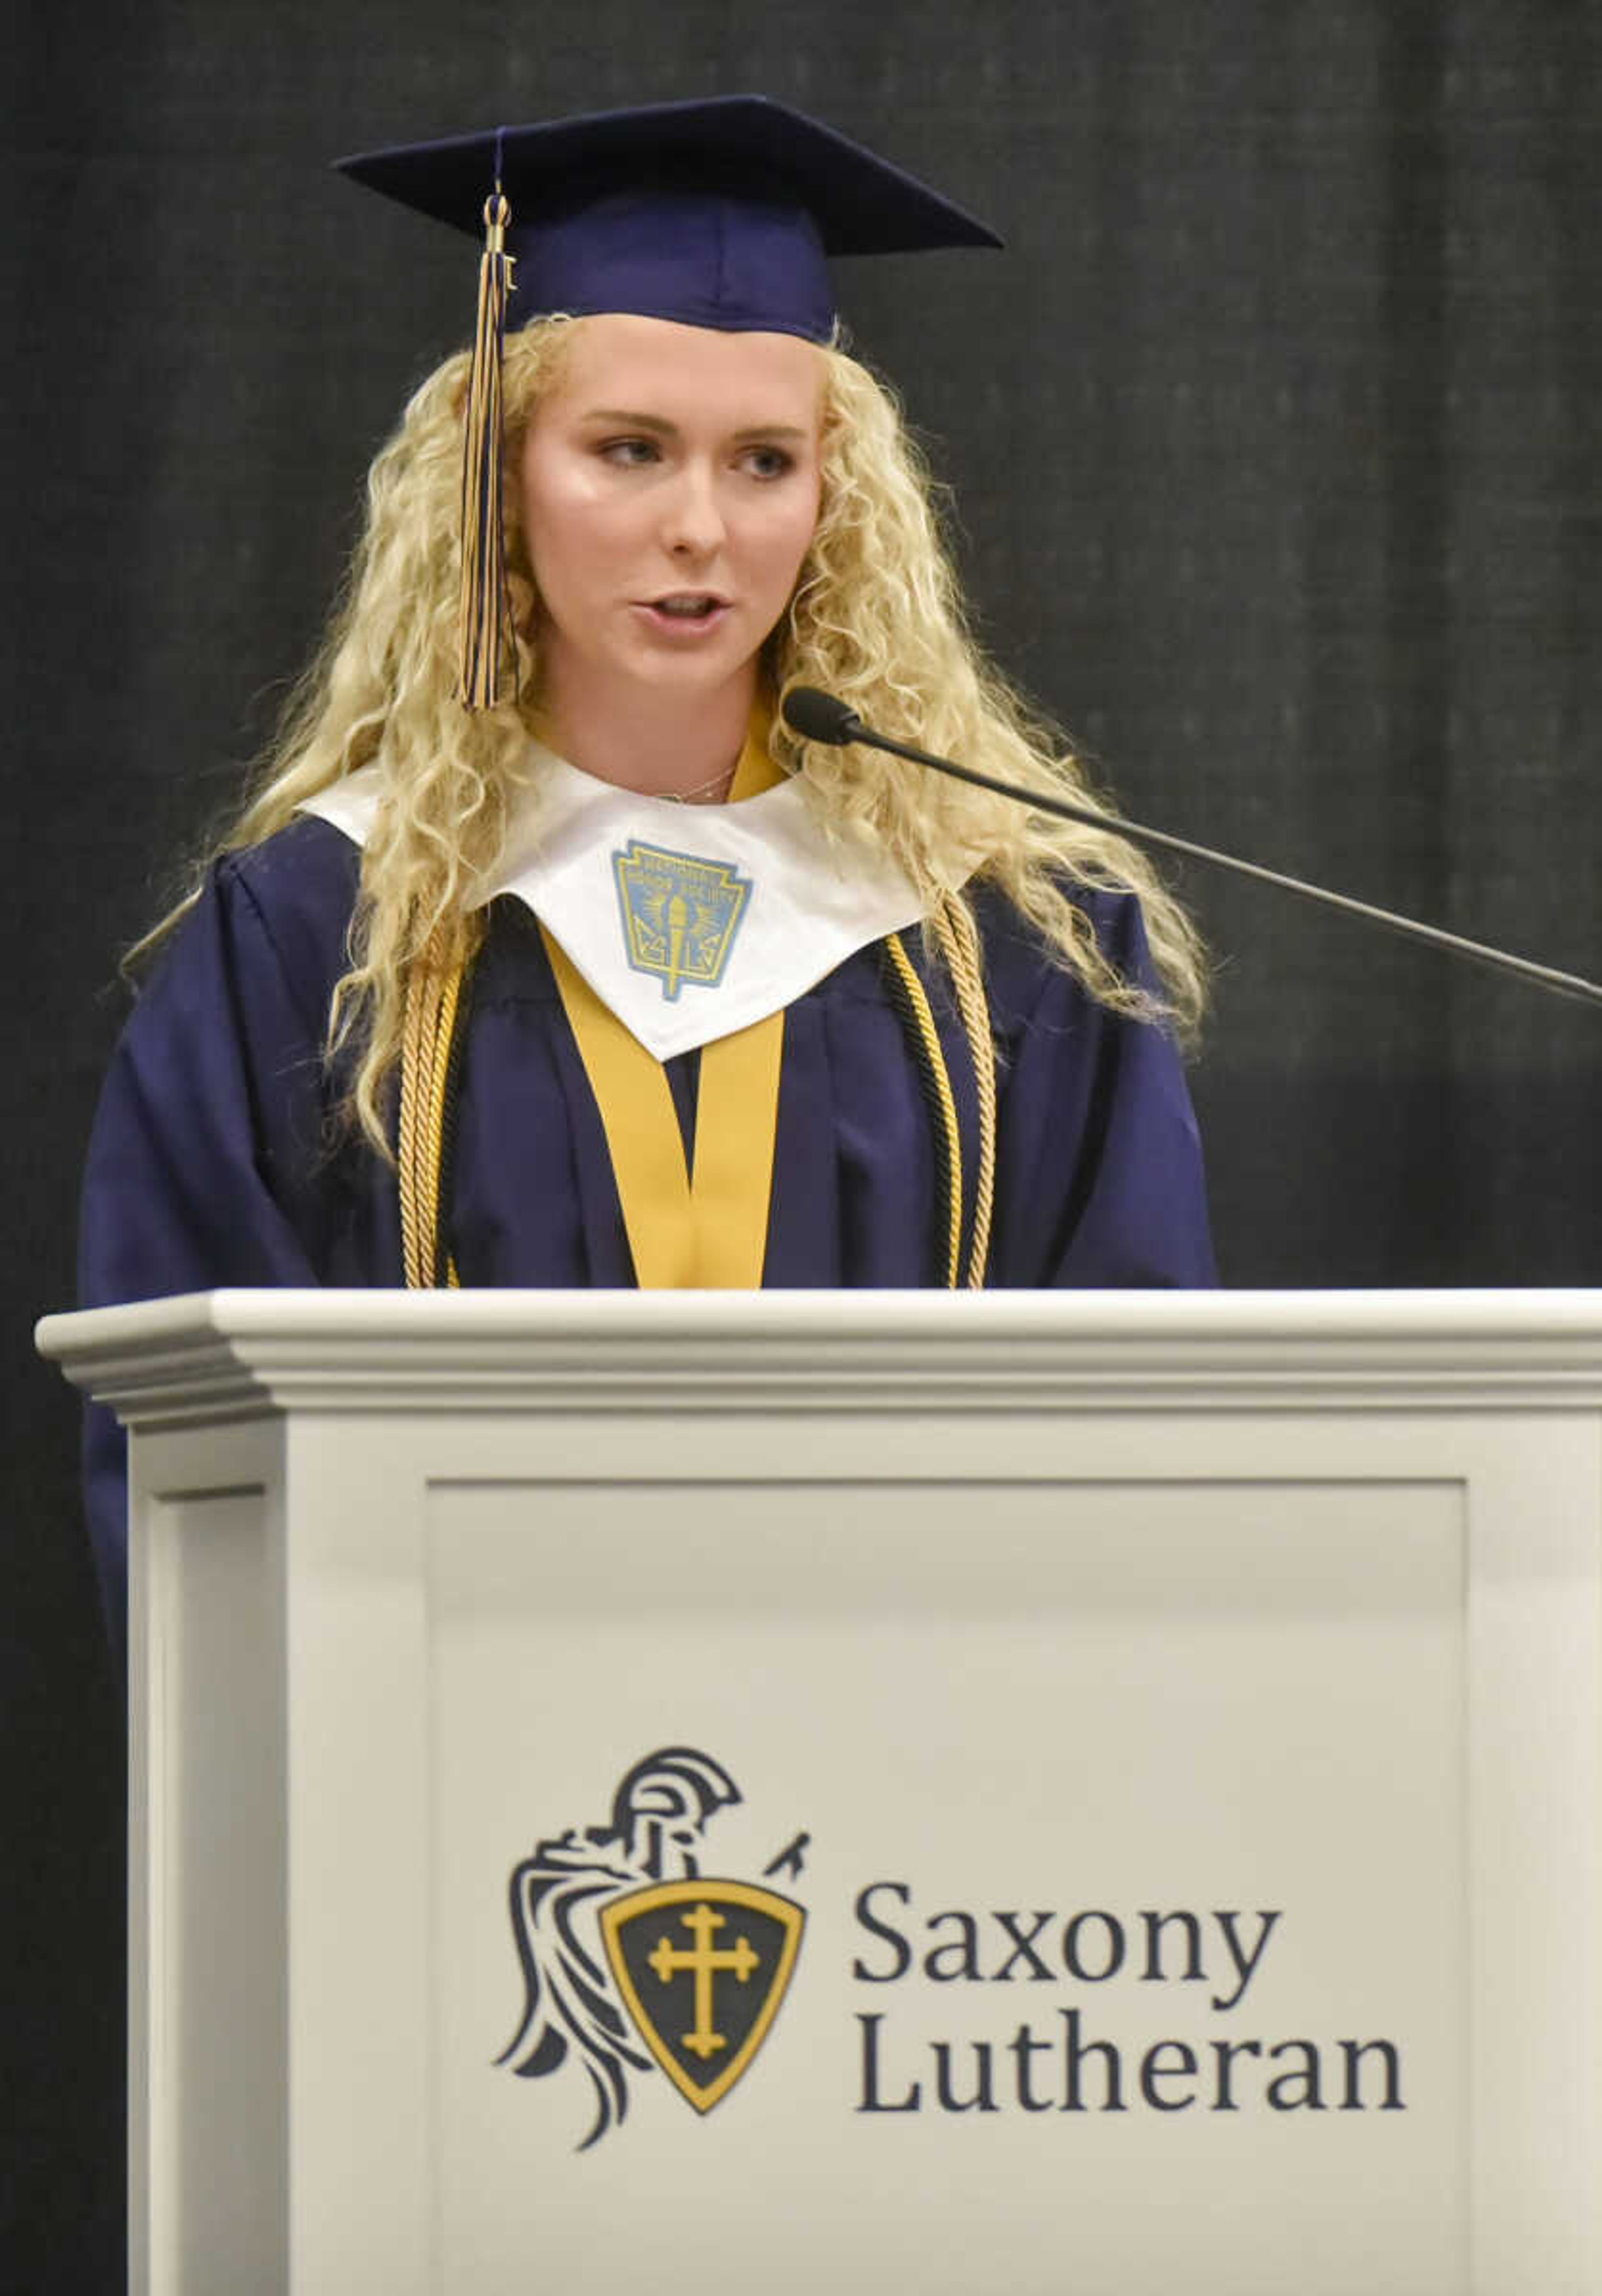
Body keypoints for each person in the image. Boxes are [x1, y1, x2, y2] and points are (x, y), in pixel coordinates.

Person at [78, 97, 1214, 1639]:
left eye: (763, 459)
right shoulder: (312, 938)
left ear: (836, 500)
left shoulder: (1016, 943)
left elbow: (1136, 1449)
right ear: (496, 475)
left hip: (925, 1792)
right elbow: (189, 1475)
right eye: (628, 450)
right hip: (439, 1790)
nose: (701, 528)